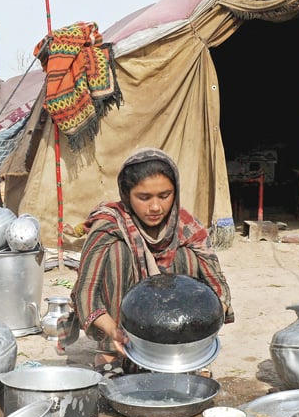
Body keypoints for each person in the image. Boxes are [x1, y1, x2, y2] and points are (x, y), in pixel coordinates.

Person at [64, 147, 234, 375]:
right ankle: (109, 352)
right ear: (126, 194)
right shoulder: (109, 226)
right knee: (118, 253)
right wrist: (113, 331)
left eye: (164, 196)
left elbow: (218, 287)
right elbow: (86, 291)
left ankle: (179, 352)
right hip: (120, 329)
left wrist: (199, 331)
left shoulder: (187, 227)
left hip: (175, 333)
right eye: (144, 198)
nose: (155, 207)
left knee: (187, 257)